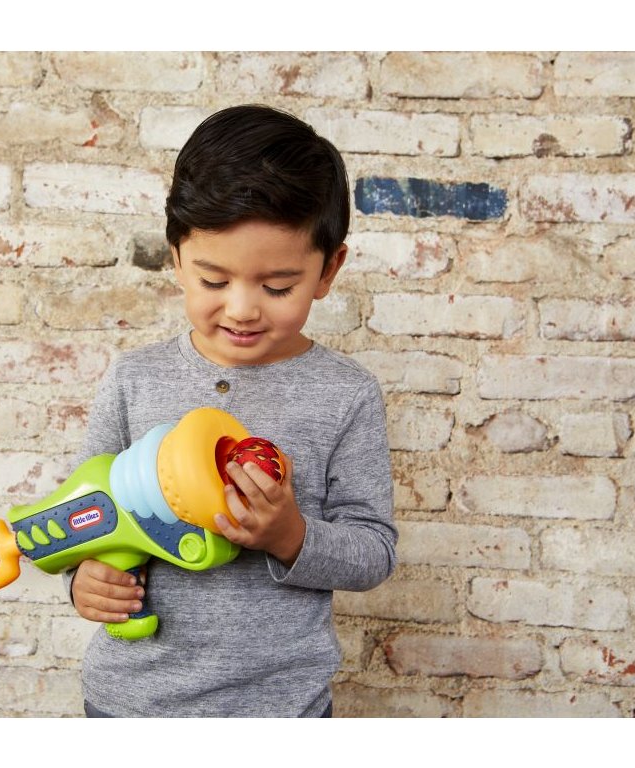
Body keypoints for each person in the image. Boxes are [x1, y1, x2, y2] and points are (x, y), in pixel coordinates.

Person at [65, 104, 397, 717]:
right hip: (131, 703)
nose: (242, 309)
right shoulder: (135, 379)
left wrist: (290, 535)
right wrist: (85, 579)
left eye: (278, 287)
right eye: (214, 281)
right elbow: (86, 510)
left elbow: (373, 552)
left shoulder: (345, 394)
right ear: (176, 258)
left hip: (280, 708)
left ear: (329, 269)